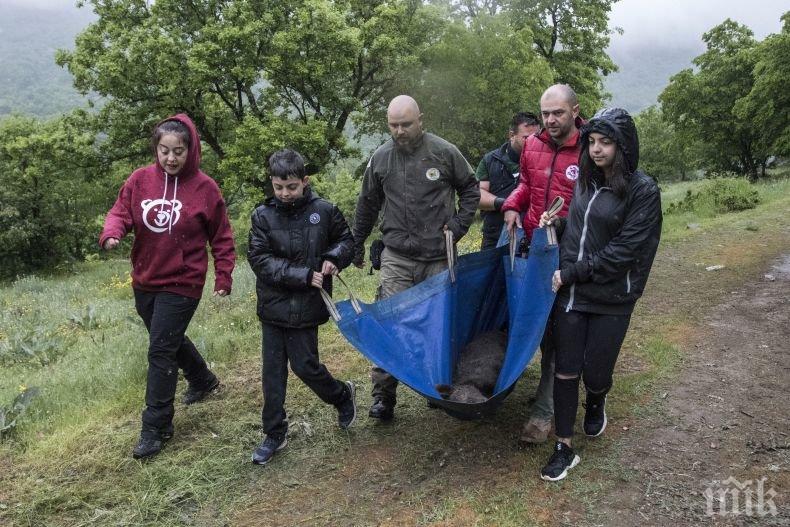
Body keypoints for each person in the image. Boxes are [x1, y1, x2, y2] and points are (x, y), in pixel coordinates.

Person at [99, 114, 235, 460]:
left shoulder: (205, 188)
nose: (171, 158)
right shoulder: (139, 180)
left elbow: (221, 235)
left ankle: (156, 425)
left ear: (191, 151)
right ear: (156, 150)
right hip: (145, 278)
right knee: (166, 339)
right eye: (164, 151)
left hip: (184, 280)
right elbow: (121, 212)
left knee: (160, 350)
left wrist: (223, 275)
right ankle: (202, 379)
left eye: (178, 151)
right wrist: (112, 232)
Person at [538, 107, 662, 481]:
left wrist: (573, 271)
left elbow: (626, 250)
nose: (596, 149)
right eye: (591, 141)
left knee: (596, 372)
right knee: (565, 369)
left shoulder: (643, 190)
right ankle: (564, 446)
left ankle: (597, 398)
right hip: (573, 292)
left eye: (605, 142)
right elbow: (581, 228)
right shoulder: (586, 182)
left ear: (623, 146)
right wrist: (557, 225)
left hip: (612, 296)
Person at [352, 95, 480, 421]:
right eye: (393, 125)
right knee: (389, 324)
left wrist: (458, 226)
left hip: (438, 255)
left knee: (437, 326)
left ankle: (437, 389)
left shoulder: (444, 152)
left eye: (406, 124)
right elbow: (366, 204)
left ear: (421, 119)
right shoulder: (380, 159)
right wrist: (357, 243)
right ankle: (383, 396)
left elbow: (471, 189)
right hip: (397, 257)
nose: (400, 131)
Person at [247, 148, 357, 465]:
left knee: (305, 367)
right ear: (272, 183)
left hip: (308, 306)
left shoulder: (324, 211)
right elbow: (260, 260)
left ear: (304, 181)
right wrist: (303, 274)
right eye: (278, 187)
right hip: (273, 307)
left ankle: (341, 395)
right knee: (272, 374)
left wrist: (334, 258)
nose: (284, 194)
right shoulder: (261, 216)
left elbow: (346, 242)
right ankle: (274, 434)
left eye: (291, 187)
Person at [502, 84, 584, 445]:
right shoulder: (532, 145)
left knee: (560, 333)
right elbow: (528, 188)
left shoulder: (588, 149)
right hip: (535, 249)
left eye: (558, 113)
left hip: (570, 252)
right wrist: (510, 206)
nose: (550, 120)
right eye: (545, 113)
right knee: (536, 322)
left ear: (574, 111)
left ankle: (544, 410)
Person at [476, 112, 541, 250]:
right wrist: (507, 205)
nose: (532, 142)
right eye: (526, 138)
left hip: (531, 236)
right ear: (512, 135)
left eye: (536, 137)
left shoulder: (543, 161)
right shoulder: (490, 160)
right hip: (494, 234)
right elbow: (476, 195)